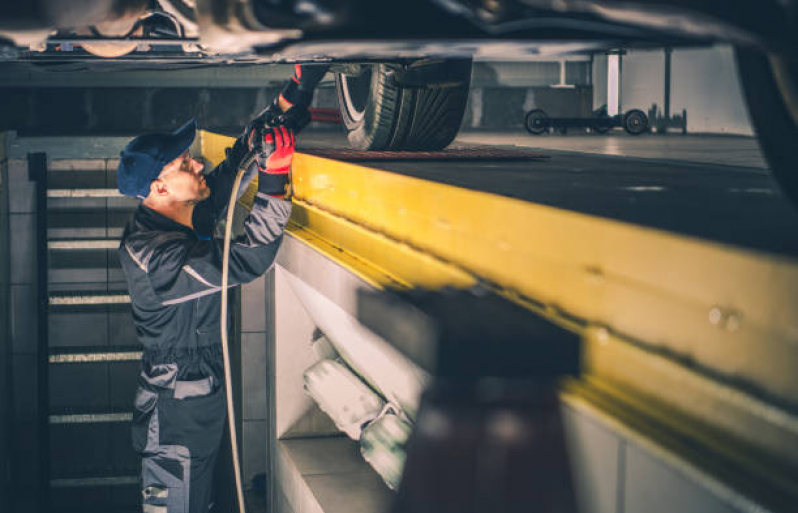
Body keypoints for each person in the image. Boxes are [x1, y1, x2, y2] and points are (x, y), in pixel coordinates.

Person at [117, 113, 298, 513]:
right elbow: (248, 259)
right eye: (185, 163)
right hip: (175, 409)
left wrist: (250, 147)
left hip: (192, 390)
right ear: (160, 187)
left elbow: (217, 192)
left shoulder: (171, 214)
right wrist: (275, 177)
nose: (197, 163)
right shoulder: (155, 256)